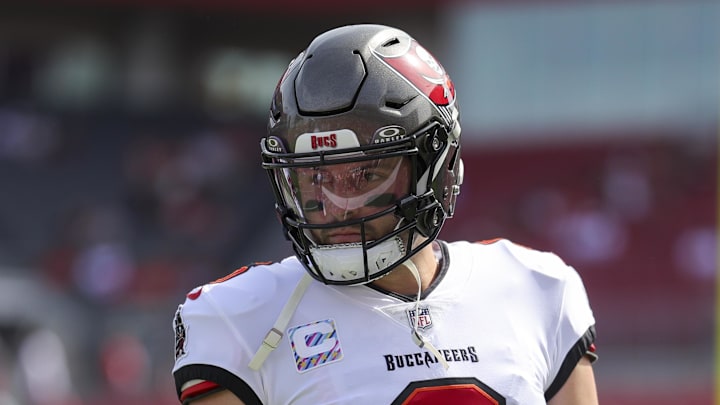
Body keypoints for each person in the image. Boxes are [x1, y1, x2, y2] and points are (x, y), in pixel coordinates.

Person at [171, 24, 598, 405]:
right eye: (317, 177)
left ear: (436, 167)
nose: (338, 203)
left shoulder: (538, 289)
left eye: (364, 174)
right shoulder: (238, 318)